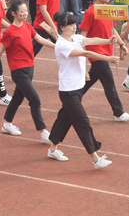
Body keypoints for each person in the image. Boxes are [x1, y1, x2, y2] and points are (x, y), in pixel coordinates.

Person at [46, 11, 117, 169]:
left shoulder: (76, 38)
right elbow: (85, 52)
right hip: (68, 91)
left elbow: (91, 40)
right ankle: (96, 159)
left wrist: (108, 40)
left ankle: (52, 149)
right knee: (83, 123)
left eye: (74, 23)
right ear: (62, 27)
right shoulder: (62, 45)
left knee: (64, 119)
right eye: (70, 25)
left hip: (78, 88)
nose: (74, 26)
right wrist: (108, 59)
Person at [0, 0, 55, 140]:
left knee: (17, 98)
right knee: (34, 99)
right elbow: (1, 50)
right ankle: (43, 132)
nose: (25, 14)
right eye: (22, 12)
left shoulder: (27, 26)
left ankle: (7, 124)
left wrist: (58, 46)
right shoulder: (9, 32)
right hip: (18, 71)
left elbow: (41, 40)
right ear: (14, 14)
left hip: (30, 68)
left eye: (26, 11)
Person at [79, 0, 129, 122]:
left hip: (107, 52)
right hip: (96, 53)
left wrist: (121, 44)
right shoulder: (91, 12)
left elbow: (112, 29)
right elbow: (83, 34)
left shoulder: (108, 9)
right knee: (109, 82)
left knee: (91, 79)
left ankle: (73, 97)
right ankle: (118, 113)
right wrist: (81, 52)